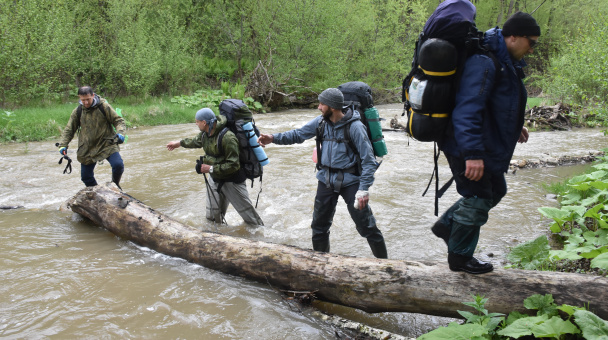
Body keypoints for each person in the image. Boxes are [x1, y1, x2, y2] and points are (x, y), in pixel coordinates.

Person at [432, 12, 540, 274]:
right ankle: (459, 260)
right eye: (531, 42)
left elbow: (497, 104)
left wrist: (515, 127)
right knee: (479, 197)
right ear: (513, 36)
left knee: (496, 190)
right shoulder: (485, 61)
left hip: (480, 141)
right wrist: (472, 154)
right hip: (464, 144)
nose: (532, 49)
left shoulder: (504, 62)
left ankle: (447, 226)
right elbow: (467, 111)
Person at [257, 88, 387, 258]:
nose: (318, 107)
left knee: (367, 227)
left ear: (332, 107)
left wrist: (363, 189)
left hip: (351, 182)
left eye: (322, 104)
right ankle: (320, 264)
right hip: (326, 180)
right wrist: (273, 138)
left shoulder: (355, 127)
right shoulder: (321, 122)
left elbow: (369, 160)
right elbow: (298, 134)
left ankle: (384, 265)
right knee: (319, 227)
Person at [166, 108, 264, 227]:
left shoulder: (228, 138)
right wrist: (178, 144)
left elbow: (234, 165)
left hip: (233, 181)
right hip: (215, 179)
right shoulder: (205, 134)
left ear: (204, 122)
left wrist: (210, 169)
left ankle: (262, 238)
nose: (196, 124)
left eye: (197, 121)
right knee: (212, 218)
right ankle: (216, 236)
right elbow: (194, 141)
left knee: (252, 220)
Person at [58, 86, 126, 189]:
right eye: (82, 100)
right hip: (87, 148)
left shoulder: (104, 107)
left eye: (88, 99)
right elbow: (69, 129)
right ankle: (98, 192)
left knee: (118, 165)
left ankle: (115, 186)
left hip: (106, 144)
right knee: (86, 177)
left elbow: (118, 121)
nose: (85, 102)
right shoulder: (78, 111)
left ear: (93, 96)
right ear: (79, 98)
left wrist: (120, 132)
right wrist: (63, 144)